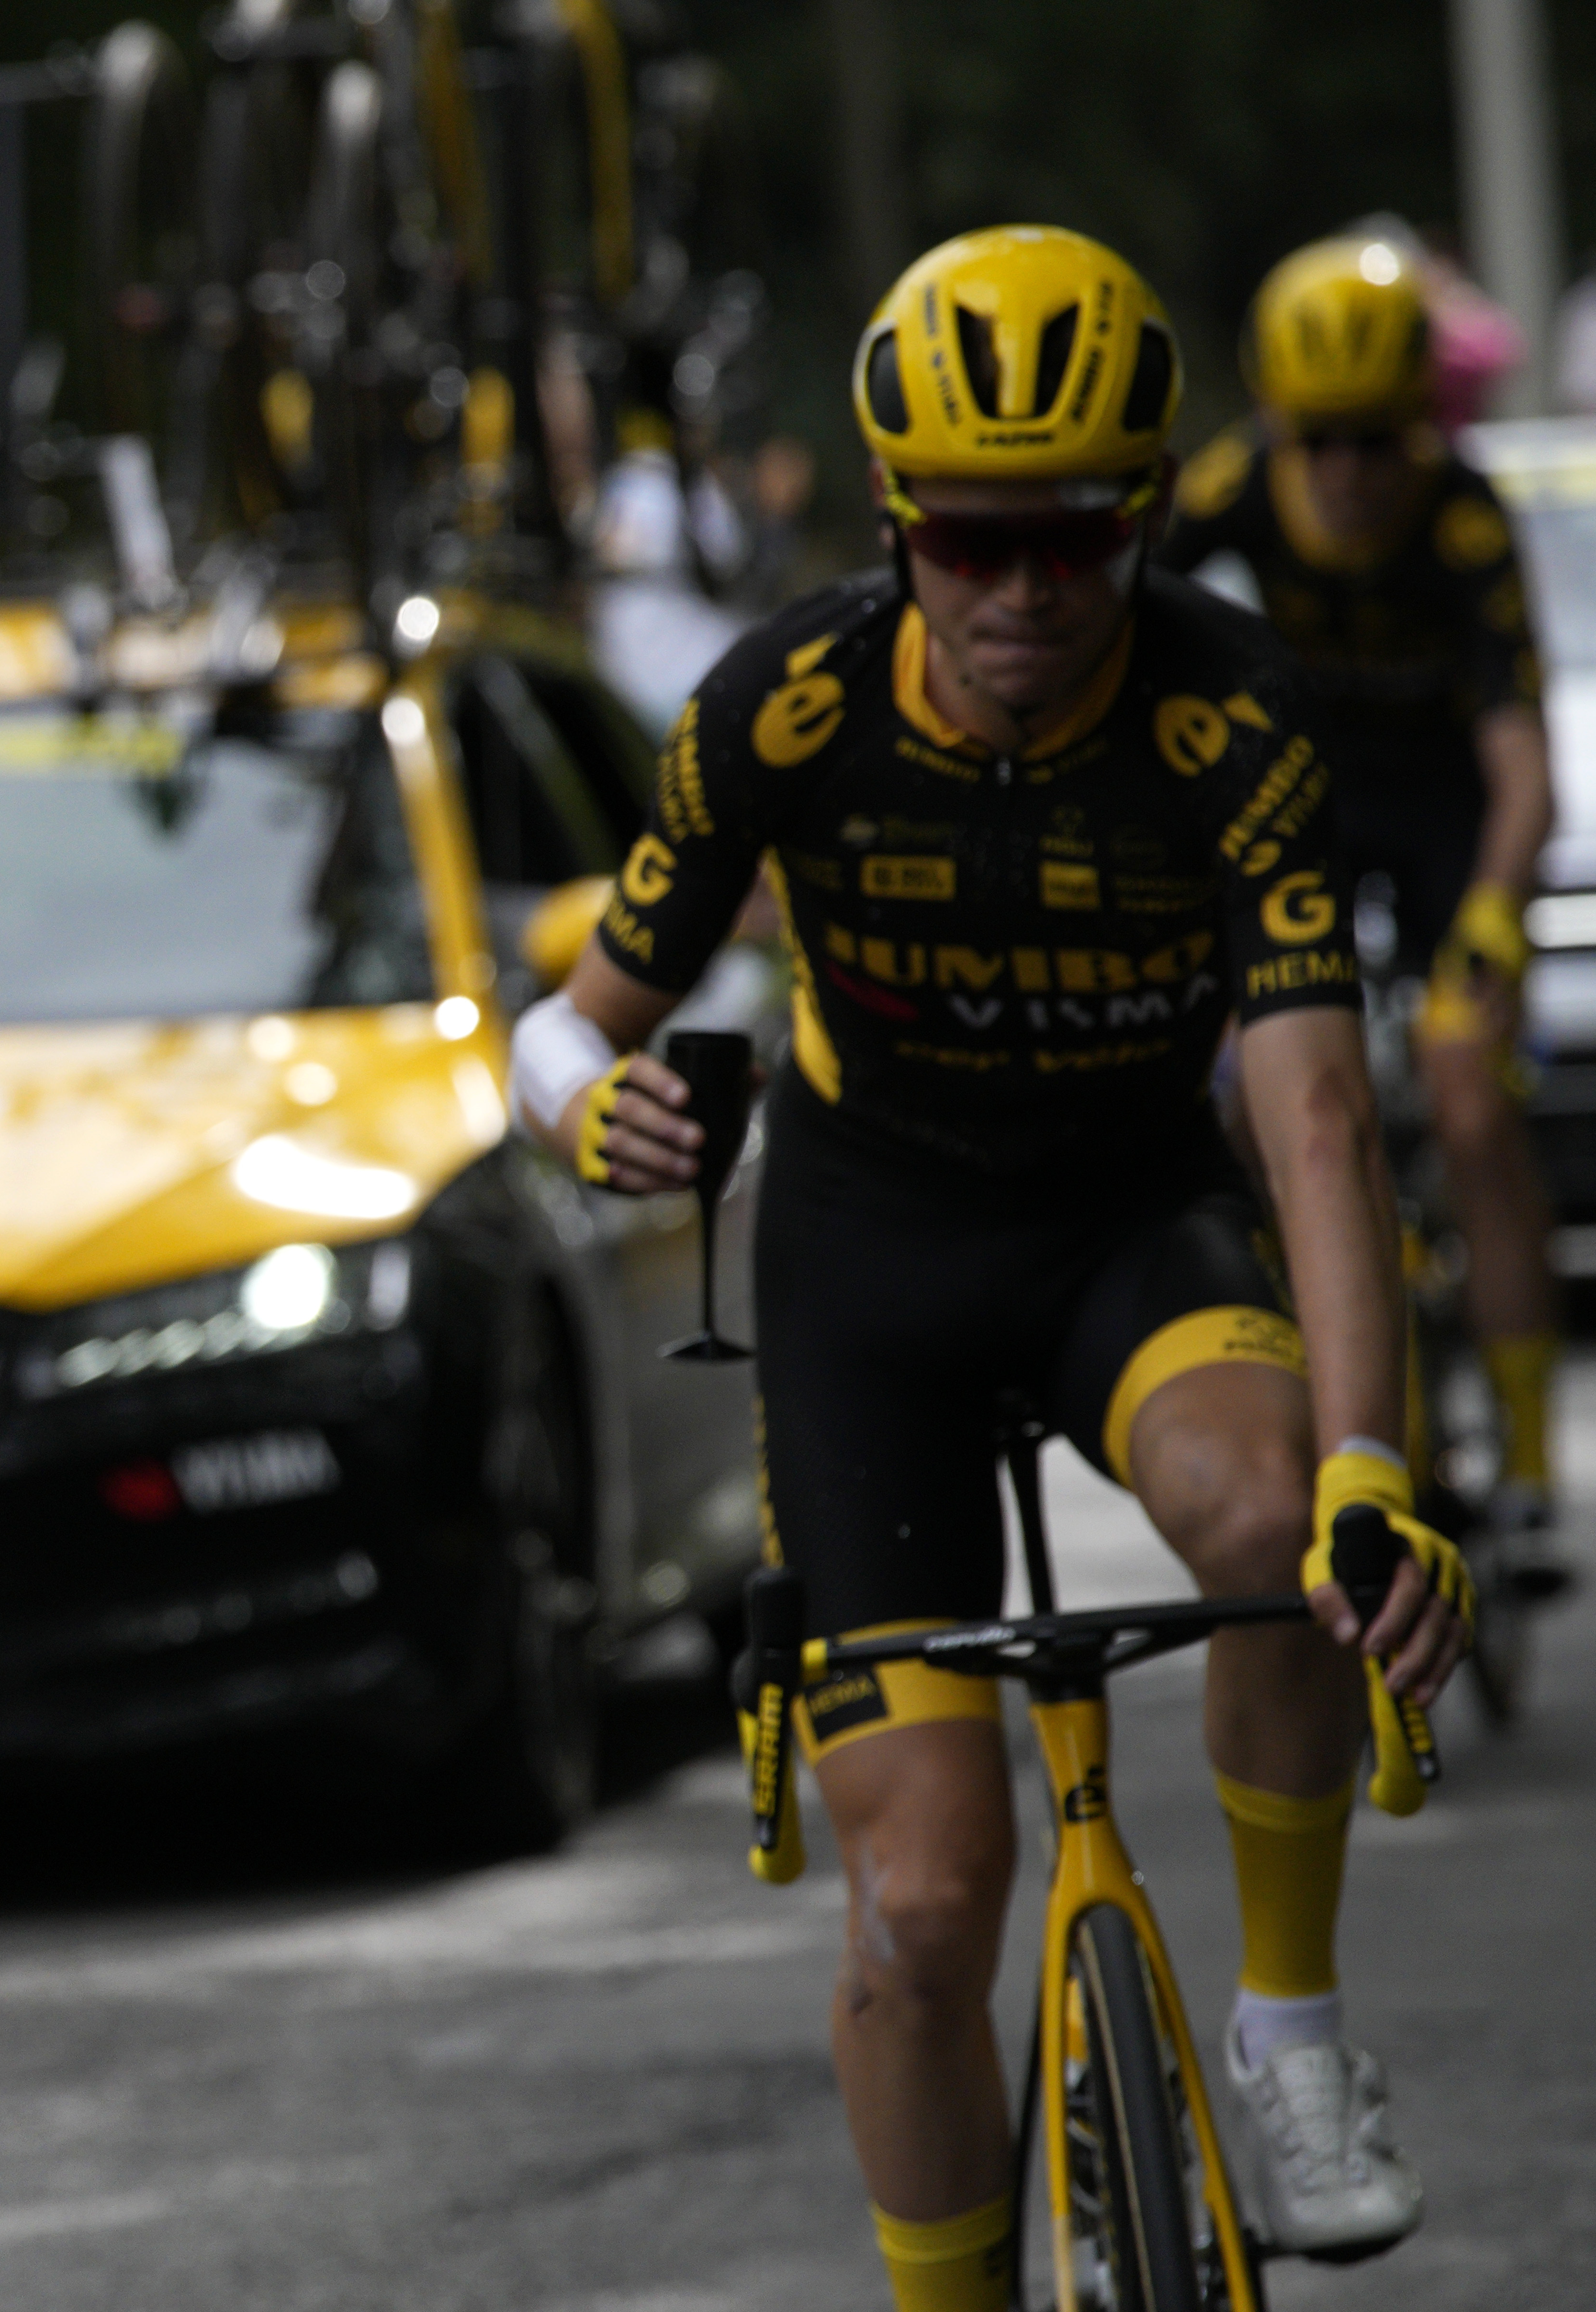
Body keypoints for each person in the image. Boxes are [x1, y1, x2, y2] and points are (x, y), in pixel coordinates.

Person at [507, 226, 1472, 2306]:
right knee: (925, 1905)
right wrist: (580, 1110)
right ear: (893, 527)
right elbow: (562, 1019)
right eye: (968, 546)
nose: (1021, 592)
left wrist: (1374, 1460)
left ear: (1135, 518)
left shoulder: (1231, 712)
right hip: (875, 1259)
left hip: (1130, 1215)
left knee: (1272, 1498)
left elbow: (1311, 1116)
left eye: (1072, 542)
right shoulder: (782, 699)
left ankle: (1287, 2038)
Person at [1163, 233, 1563, 1567]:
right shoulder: (1228, 488)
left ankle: (1521, 1452)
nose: (1344, 476)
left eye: (1374, 443)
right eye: (1317, 441)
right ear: (1278, 422)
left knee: (1462, 1084)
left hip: (1450, 813)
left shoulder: (1459, 519)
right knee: (1251, 1102)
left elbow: (1521, 765)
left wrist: (1494, 924)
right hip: (1308, 809)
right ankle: (1324, 1358)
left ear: (1418, 424)